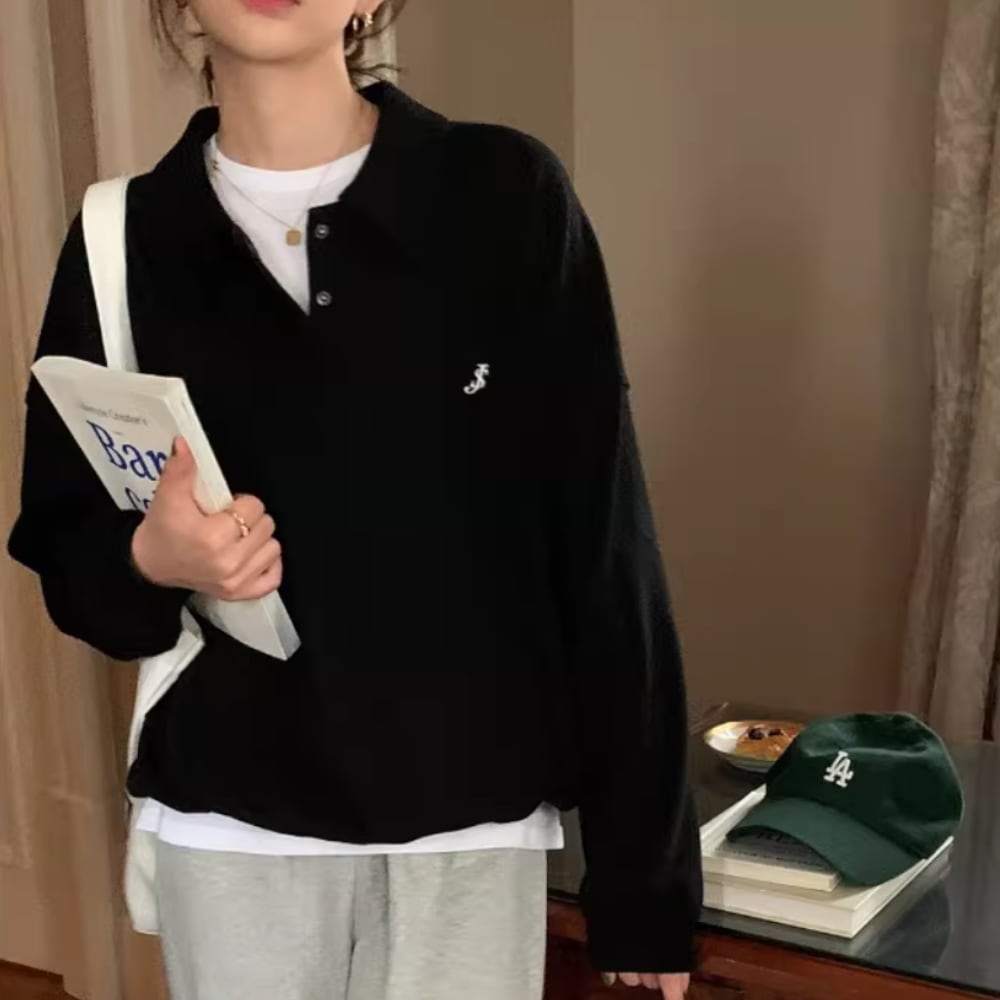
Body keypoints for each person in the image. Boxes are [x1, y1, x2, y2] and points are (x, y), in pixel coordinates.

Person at [7, 1, 702, 997]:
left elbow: (603, 546)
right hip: (231, 826)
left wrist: (643, 881)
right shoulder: (120, 238)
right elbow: (67, 553)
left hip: (469, 823)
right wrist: (155, 560)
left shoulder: (504, 195)